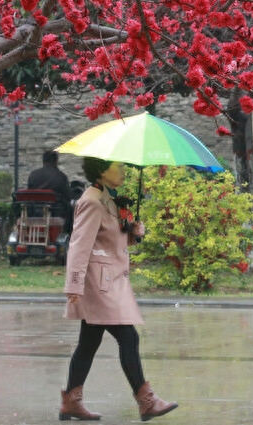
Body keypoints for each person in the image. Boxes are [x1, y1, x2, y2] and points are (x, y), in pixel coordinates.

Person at [59, 157, 178, 422]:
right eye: (118, 166)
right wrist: (74, 284)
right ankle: (147, 401)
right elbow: (79, 245)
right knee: (129, 338)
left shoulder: (108, 198)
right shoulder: (91, 201)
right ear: (102, 170)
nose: (123, 170)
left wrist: (134, 233)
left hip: (110, 281)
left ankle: (71, 402)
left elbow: (110, 241)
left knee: (88, 344)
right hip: (99, 285)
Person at [27, 149, 73, 232]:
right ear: (56, 161)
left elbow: (28, 195)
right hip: (56, 213)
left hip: (35, 213)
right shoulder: (61, 177)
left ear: (43, 161)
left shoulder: (33, 175)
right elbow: (68, 197)